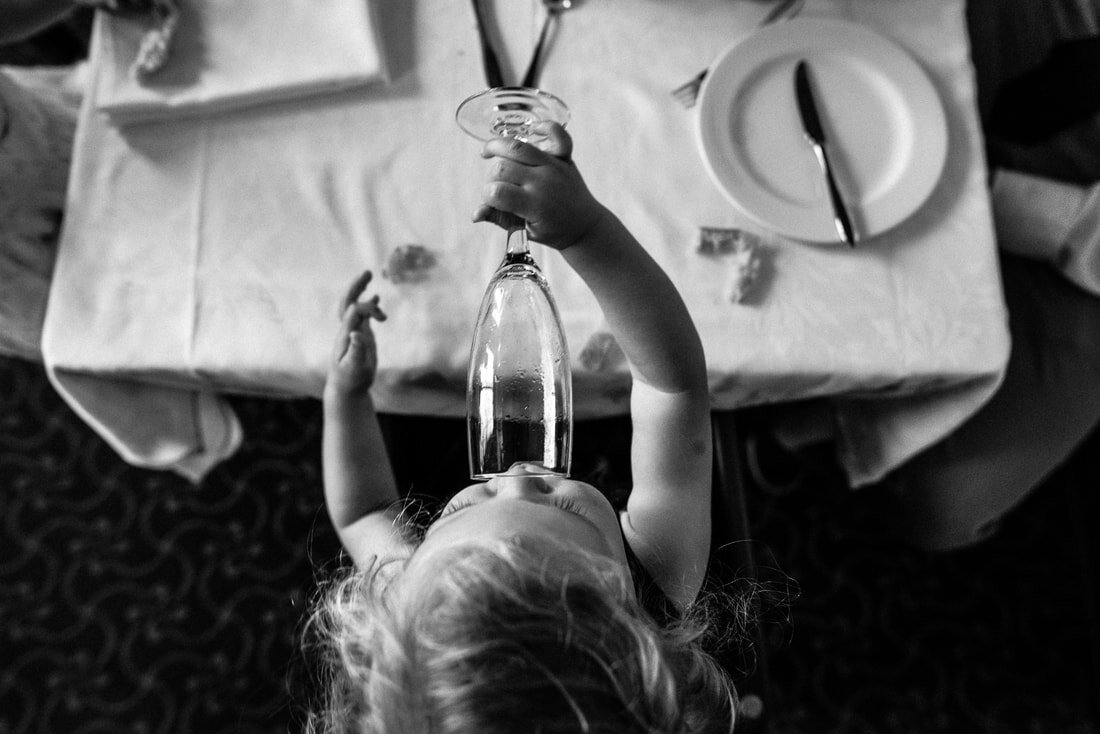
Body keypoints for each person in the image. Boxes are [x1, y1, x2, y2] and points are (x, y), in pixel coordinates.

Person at [306, 123, 744, 733]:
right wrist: (588, 233)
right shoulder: (663, 580)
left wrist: (346, 395)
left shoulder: (422, 604)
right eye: (563, 510)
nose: (516, 475)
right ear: (642, 631)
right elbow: (674, 387)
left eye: (457, 514)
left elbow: (363, 512)